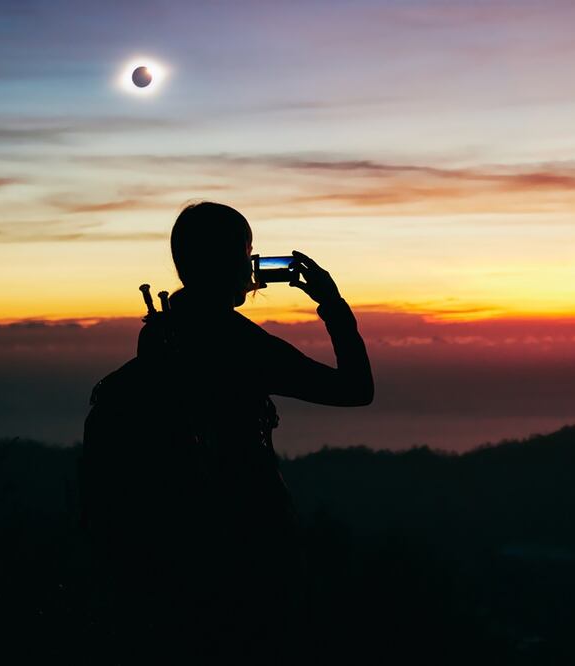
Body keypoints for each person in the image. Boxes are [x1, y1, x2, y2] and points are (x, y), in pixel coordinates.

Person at [84, 201, 373, 664]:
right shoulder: (237, 344)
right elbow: (355, 389)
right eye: (245, 251)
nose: (252, 265)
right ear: (224, 262)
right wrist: (331, 303)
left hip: (167, 567)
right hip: (244, 561)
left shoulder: (161, 335)